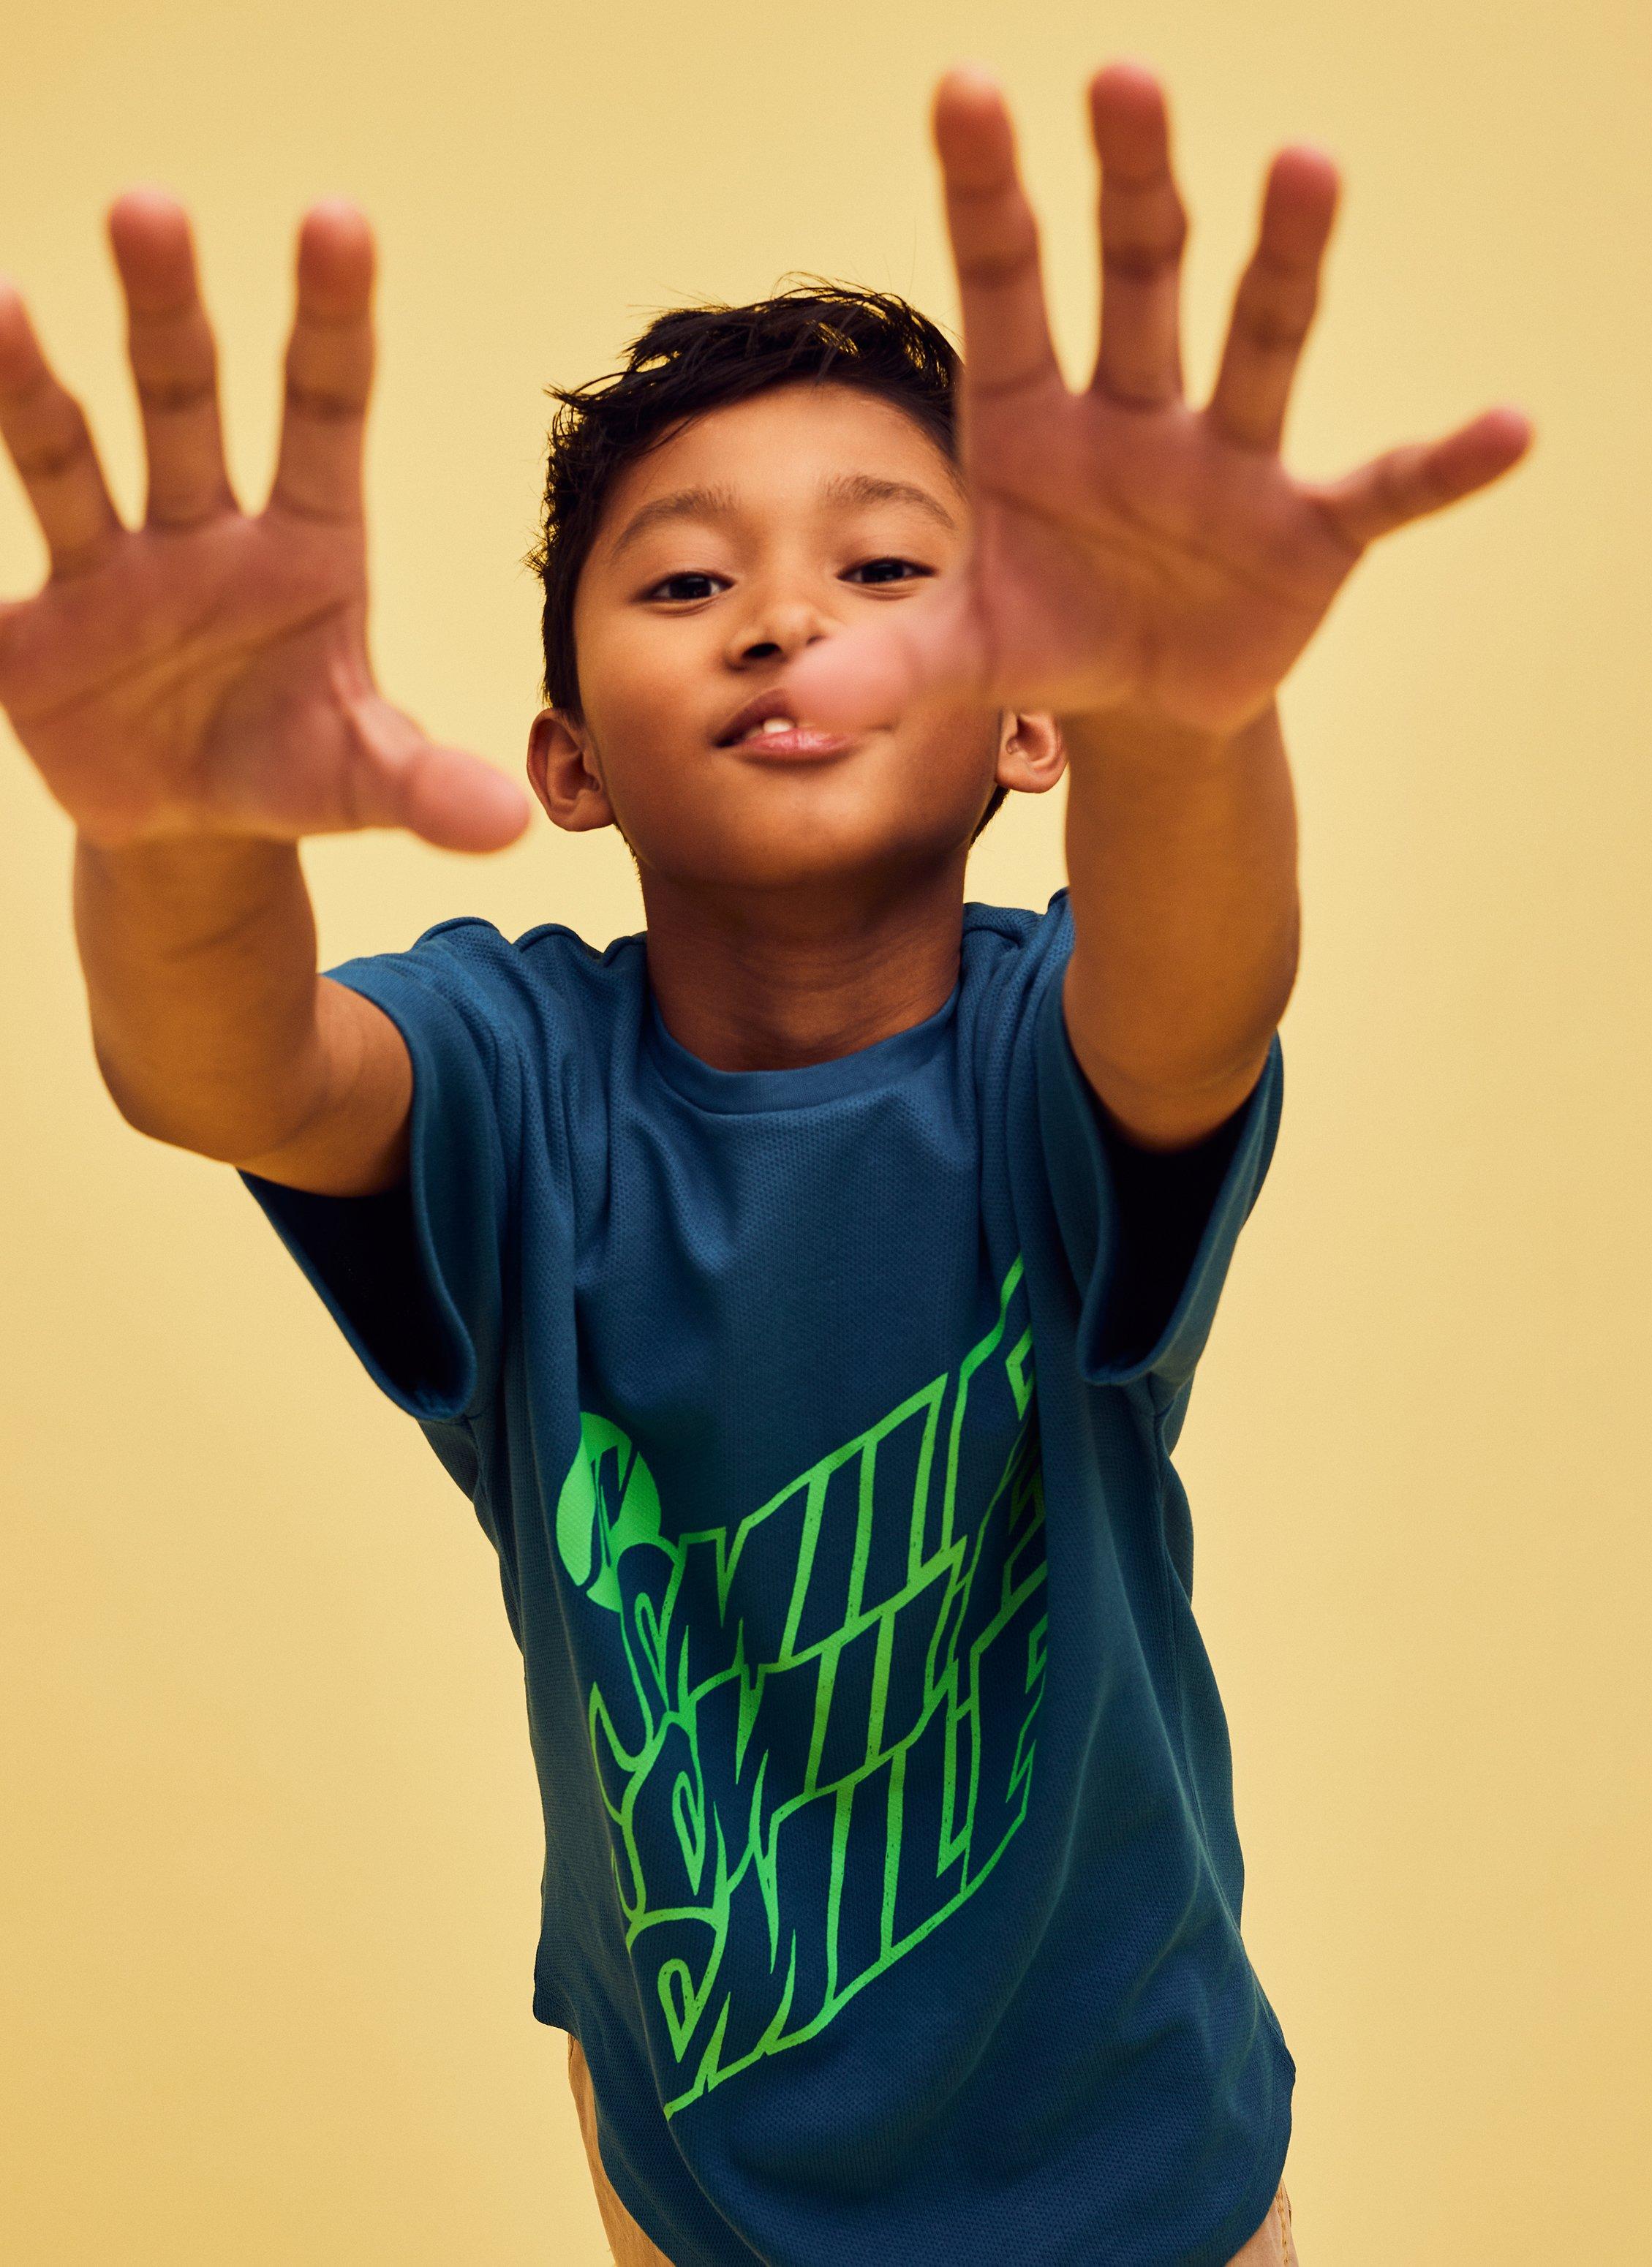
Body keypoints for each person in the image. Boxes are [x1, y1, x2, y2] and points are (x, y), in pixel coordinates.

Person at [0, 56, 1528, 2267]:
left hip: (1146, 2190)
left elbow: (1200, 986)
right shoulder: (517, 1075)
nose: (778, 616)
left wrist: (1183, 717)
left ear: (1028, 713)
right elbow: (230, 1066)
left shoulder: (1047, 1051)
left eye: (888, 565)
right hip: (705, 2191)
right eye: (685, 579)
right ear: (565, 759)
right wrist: (173, 830)